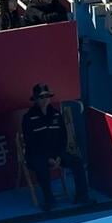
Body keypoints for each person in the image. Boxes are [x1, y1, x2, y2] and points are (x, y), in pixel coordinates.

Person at [22, 83, 91, 211]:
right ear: (36, 99)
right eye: (41, 97)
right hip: (37, 155)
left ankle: (82, 196)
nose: (44, 99)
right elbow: (30, 142)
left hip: (57, 153)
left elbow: (63, 137)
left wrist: (59, 155)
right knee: (40, 166)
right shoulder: (28, 118)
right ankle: (49, 200)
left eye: (47, 96)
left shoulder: (56, 115)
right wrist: (48, 158)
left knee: (77, 161)